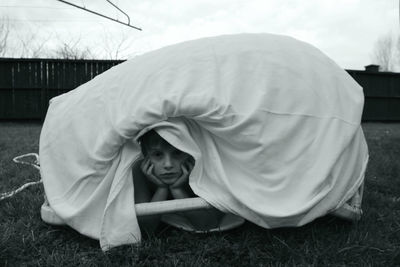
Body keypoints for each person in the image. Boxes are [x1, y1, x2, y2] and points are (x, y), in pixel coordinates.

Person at [132, 130, 225, 233]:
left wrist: (177, 190)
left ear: (191, 153)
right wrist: (161, 189)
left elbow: (207, 224)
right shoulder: (139, 170)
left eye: (178, 152)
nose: (168, 164)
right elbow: (145, 229)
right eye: (158, 154)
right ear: (145, 156)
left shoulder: (206, 167)